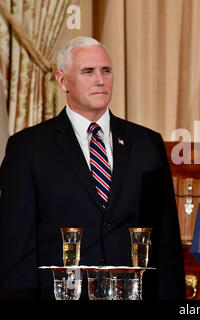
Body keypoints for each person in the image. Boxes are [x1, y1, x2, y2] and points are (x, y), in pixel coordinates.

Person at [0, 37, 185, 300]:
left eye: (106, 70)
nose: (100, 79)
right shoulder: (28, 147)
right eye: (88, 71)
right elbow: (16, 244)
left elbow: (166, 239)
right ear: (62, 80)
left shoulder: (147, 143)